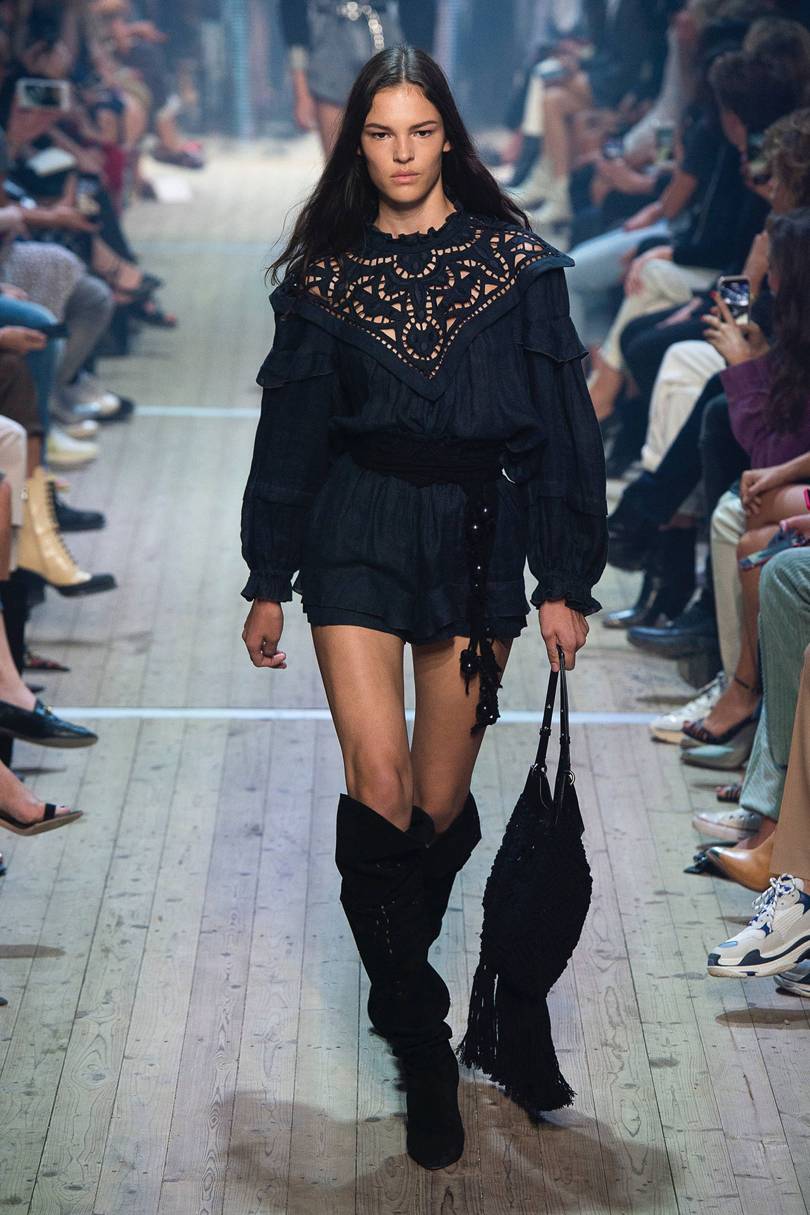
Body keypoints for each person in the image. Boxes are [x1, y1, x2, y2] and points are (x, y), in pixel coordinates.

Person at [240, 45, 607, 1170]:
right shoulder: (325, 277)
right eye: (380, 133)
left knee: (438, 808)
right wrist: (268, 578)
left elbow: (564, 433)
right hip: (355, 527)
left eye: (419, 131)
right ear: (357, 144)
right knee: (381, 783)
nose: (401, 153)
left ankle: (397, 975)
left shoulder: (518, 268)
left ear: (448, 135)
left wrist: (565, 581)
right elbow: (291, 434)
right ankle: (419, 1035)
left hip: (476, 538)